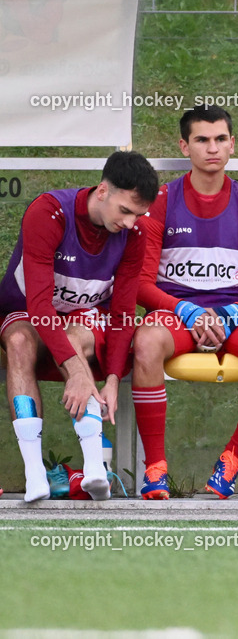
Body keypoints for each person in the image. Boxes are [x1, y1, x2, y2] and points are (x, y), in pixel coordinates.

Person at [132, 105, 238, 500]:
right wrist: (187, 310)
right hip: (176, 310)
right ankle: (155, 468)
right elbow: (140, 283)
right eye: (202, 140)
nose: (212, 148)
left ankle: (231, 459)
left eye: (220, 139)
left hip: (234, 314)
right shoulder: (160, 200)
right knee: (146, 344)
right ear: (184, 146)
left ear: (232, 145)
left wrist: (228, 313)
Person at [1, 150, 158, 502]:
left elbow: (121, 314)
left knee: (75, 335)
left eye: (140, 214)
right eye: (126, 211)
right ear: (102, 191)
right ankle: (34, 473)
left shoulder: (134, 234)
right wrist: (77, 370)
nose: (132, 223)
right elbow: (39, 304)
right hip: (29, 311)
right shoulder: (48, 211)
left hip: (81, 319)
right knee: (19, 342)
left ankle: (94, 471)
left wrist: (114, 378)